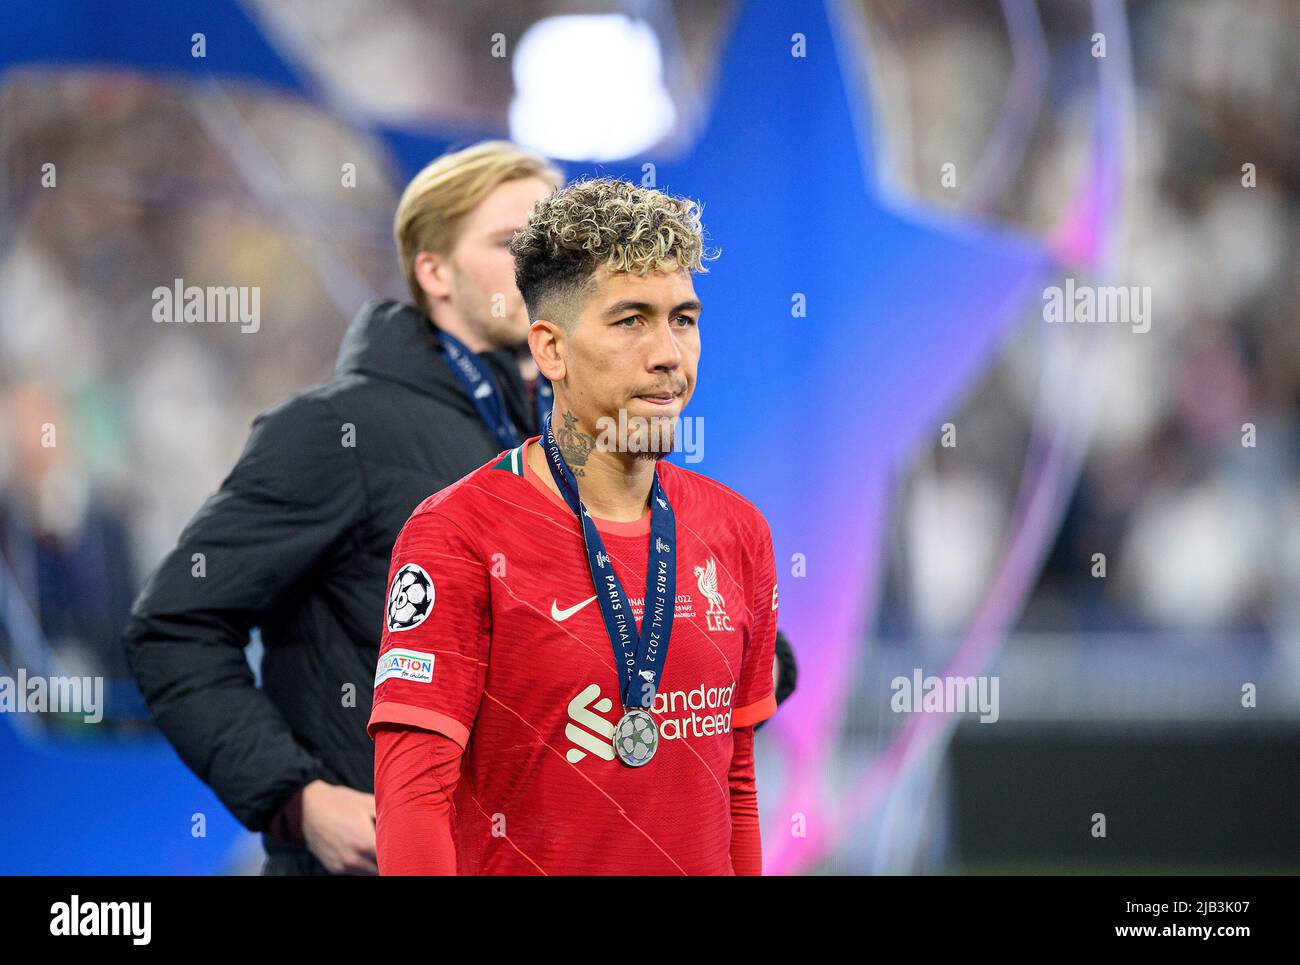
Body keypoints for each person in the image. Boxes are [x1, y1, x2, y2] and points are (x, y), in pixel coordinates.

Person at [123, 141, 564, 875]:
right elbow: (173, 626)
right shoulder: (336, 429)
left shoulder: (570, 448)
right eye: (511, 242)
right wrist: (297, 797)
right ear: (434, 271)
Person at [370, 177, 780, 874]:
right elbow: (413, 801)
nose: (669, 354)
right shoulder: (457, 533)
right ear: (551, 350)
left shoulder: (738, 530)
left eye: (683, 318)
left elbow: (735, 782)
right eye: (631, 320)